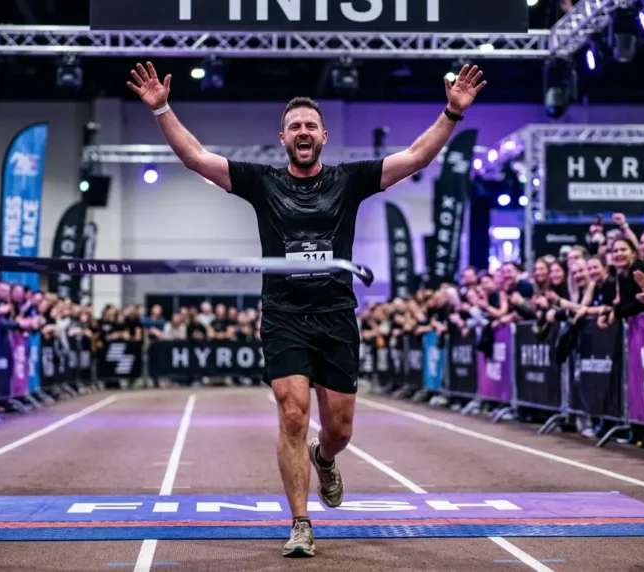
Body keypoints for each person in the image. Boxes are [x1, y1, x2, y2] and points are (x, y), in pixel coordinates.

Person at [125, 61, 487, 557]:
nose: (302, 131)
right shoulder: (262, 182)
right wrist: (162, 108)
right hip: (284, 315)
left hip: (336, 315)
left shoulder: (351, 179)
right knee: (292, 414)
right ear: (282, 137)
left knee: (338, 429)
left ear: (323, 136)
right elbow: (196, 158)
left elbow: (416, 157)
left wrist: (451, 113)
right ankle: (300, 523)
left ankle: (325, 457)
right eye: (294, 125)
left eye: (310, 126)